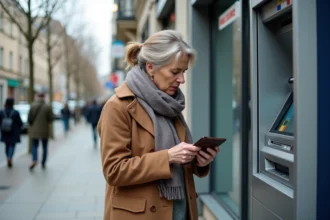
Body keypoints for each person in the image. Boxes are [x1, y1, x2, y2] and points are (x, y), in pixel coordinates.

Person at [98, 30, 219, 220]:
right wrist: (168, 157)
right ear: (150, 67)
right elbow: (114, 171)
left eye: (184, 71)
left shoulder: (170, 104)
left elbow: (179, 161)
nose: (182, 79)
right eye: (175, 71)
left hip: (181, 211)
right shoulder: (118, 107)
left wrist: (198, 162)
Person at [28, 93, 53, 170]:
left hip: (35, 130)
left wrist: (32, 124)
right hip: (45, 130)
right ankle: (43, 162)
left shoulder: (33, 105)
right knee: (44, 147)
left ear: (37, 97)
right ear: (44, 97)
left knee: (35, 146)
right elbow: (51, 119)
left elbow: (29, 118)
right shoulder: (48, 107)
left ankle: (34, 160)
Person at [0, 98, 23, 168]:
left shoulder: (2, 112)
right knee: (12, 145)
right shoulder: (15, 112)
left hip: (5, 131)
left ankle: (8, 157)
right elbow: (20, 123)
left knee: (7, 145)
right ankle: (10, 157)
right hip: (13, 132)